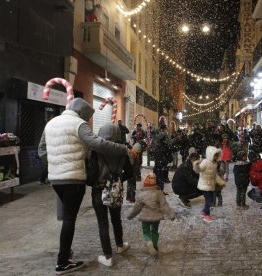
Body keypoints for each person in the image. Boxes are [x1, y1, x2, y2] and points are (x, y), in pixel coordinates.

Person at [38, 98, 128, 274]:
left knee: (66, 217)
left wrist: (54, 166)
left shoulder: (51, 123)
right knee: (69, 220)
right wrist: (123, 149)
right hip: (73, 179)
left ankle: (66, 251)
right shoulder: (78, 124)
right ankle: (62, 262)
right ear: (82, 114)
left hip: (56, 179)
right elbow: (98, 144)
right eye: (87, 117)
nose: (87, 121)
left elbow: (41, 151)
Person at [87, 123, 132, 267]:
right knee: (116, 219)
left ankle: (107, 256)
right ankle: (120, 245)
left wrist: (96, 181)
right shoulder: (123, 151)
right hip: (115, 191)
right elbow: (130, 173)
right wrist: (116, 180)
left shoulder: (96, 151)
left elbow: (91, 176)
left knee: (102, 223)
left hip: (99, 190)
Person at [127, 173, 175, 256]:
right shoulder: (159, 193)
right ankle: (155, 246)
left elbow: (136, 208)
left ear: (145, 183)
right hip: (156, 217)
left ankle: (149, 242)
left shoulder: (141, 195)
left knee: (146, 231)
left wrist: (130, 215)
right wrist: (171, 214)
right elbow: (164, 205)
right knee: (155, 231)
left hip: (145, 218)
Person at [193, 146, 226, 223]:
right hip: (204, 185)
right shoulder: (205, 162)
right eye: (215, 155)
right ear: (211, 155)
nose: (217, 157)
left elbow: (215, 176)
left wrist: (221, 182)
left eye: (217, 155)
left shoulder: (214, 164)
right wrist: (196, 165)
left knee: (210, 200)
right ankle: (207, 215)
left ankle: (204, 212)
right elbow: (198, 170)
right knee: (209, 200)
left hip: (210, 185)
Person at [152, 124, 172, 193]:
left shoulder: (157, 143)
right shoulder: (164, 144)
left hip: (159, 161)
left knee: (158, 175)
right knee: (160, 175)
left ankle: (158, 189)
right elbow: (169, 150)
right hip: (161, 161)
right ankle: (160, 190)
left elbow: (153, 152)